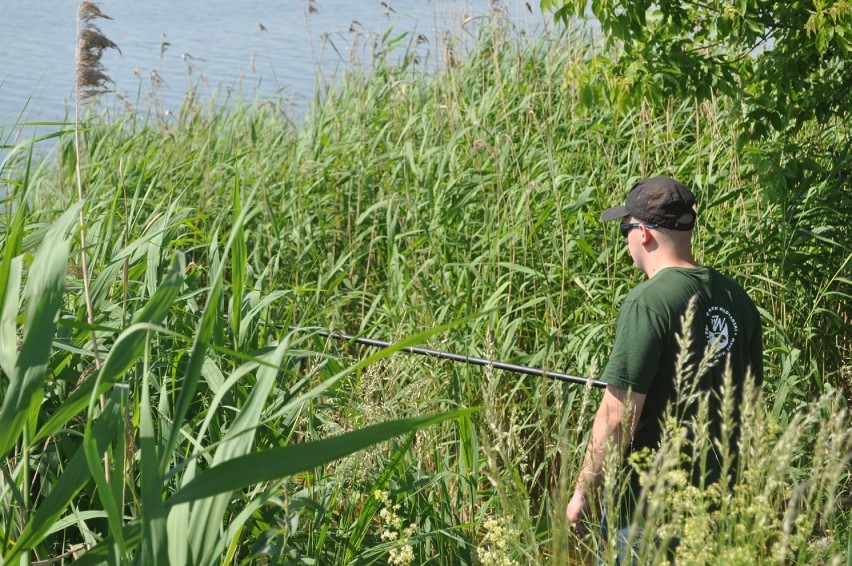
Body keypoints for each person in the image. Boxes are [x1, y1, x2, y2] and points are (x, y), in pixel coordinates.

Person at [565, 176, 763, 562]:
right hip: (723, 508)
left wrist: (582, 494)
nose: (625, 240)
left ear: (643, 234)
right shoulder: (739, 300)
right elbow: (750, 404)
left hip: (647, 514)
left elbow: (618, 414)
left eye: (625, 229)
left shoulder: (648, 302)